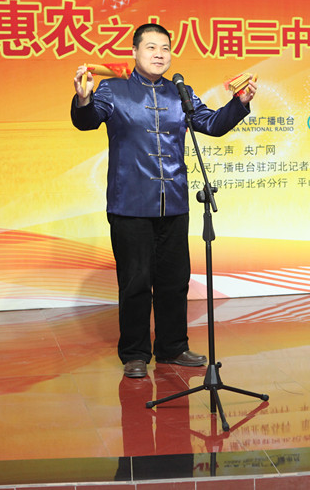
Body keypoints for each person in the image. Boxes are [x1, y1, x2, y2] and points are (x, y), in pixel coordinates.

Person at [70, 23, 257, 378]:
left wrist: (239, 103)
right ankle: (135, 353)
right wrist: (83, 99)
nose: (159, 54)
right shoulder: (112, 89)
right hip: (130, 205)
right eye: (151, 47)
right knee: (136, 282)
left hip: (173, 202)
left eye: (165, 48)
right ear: (135, 52)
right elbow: (87, 121)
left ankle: (173, 347)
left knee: (175, 280)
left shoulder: (179, 92)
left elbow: (212, 124)